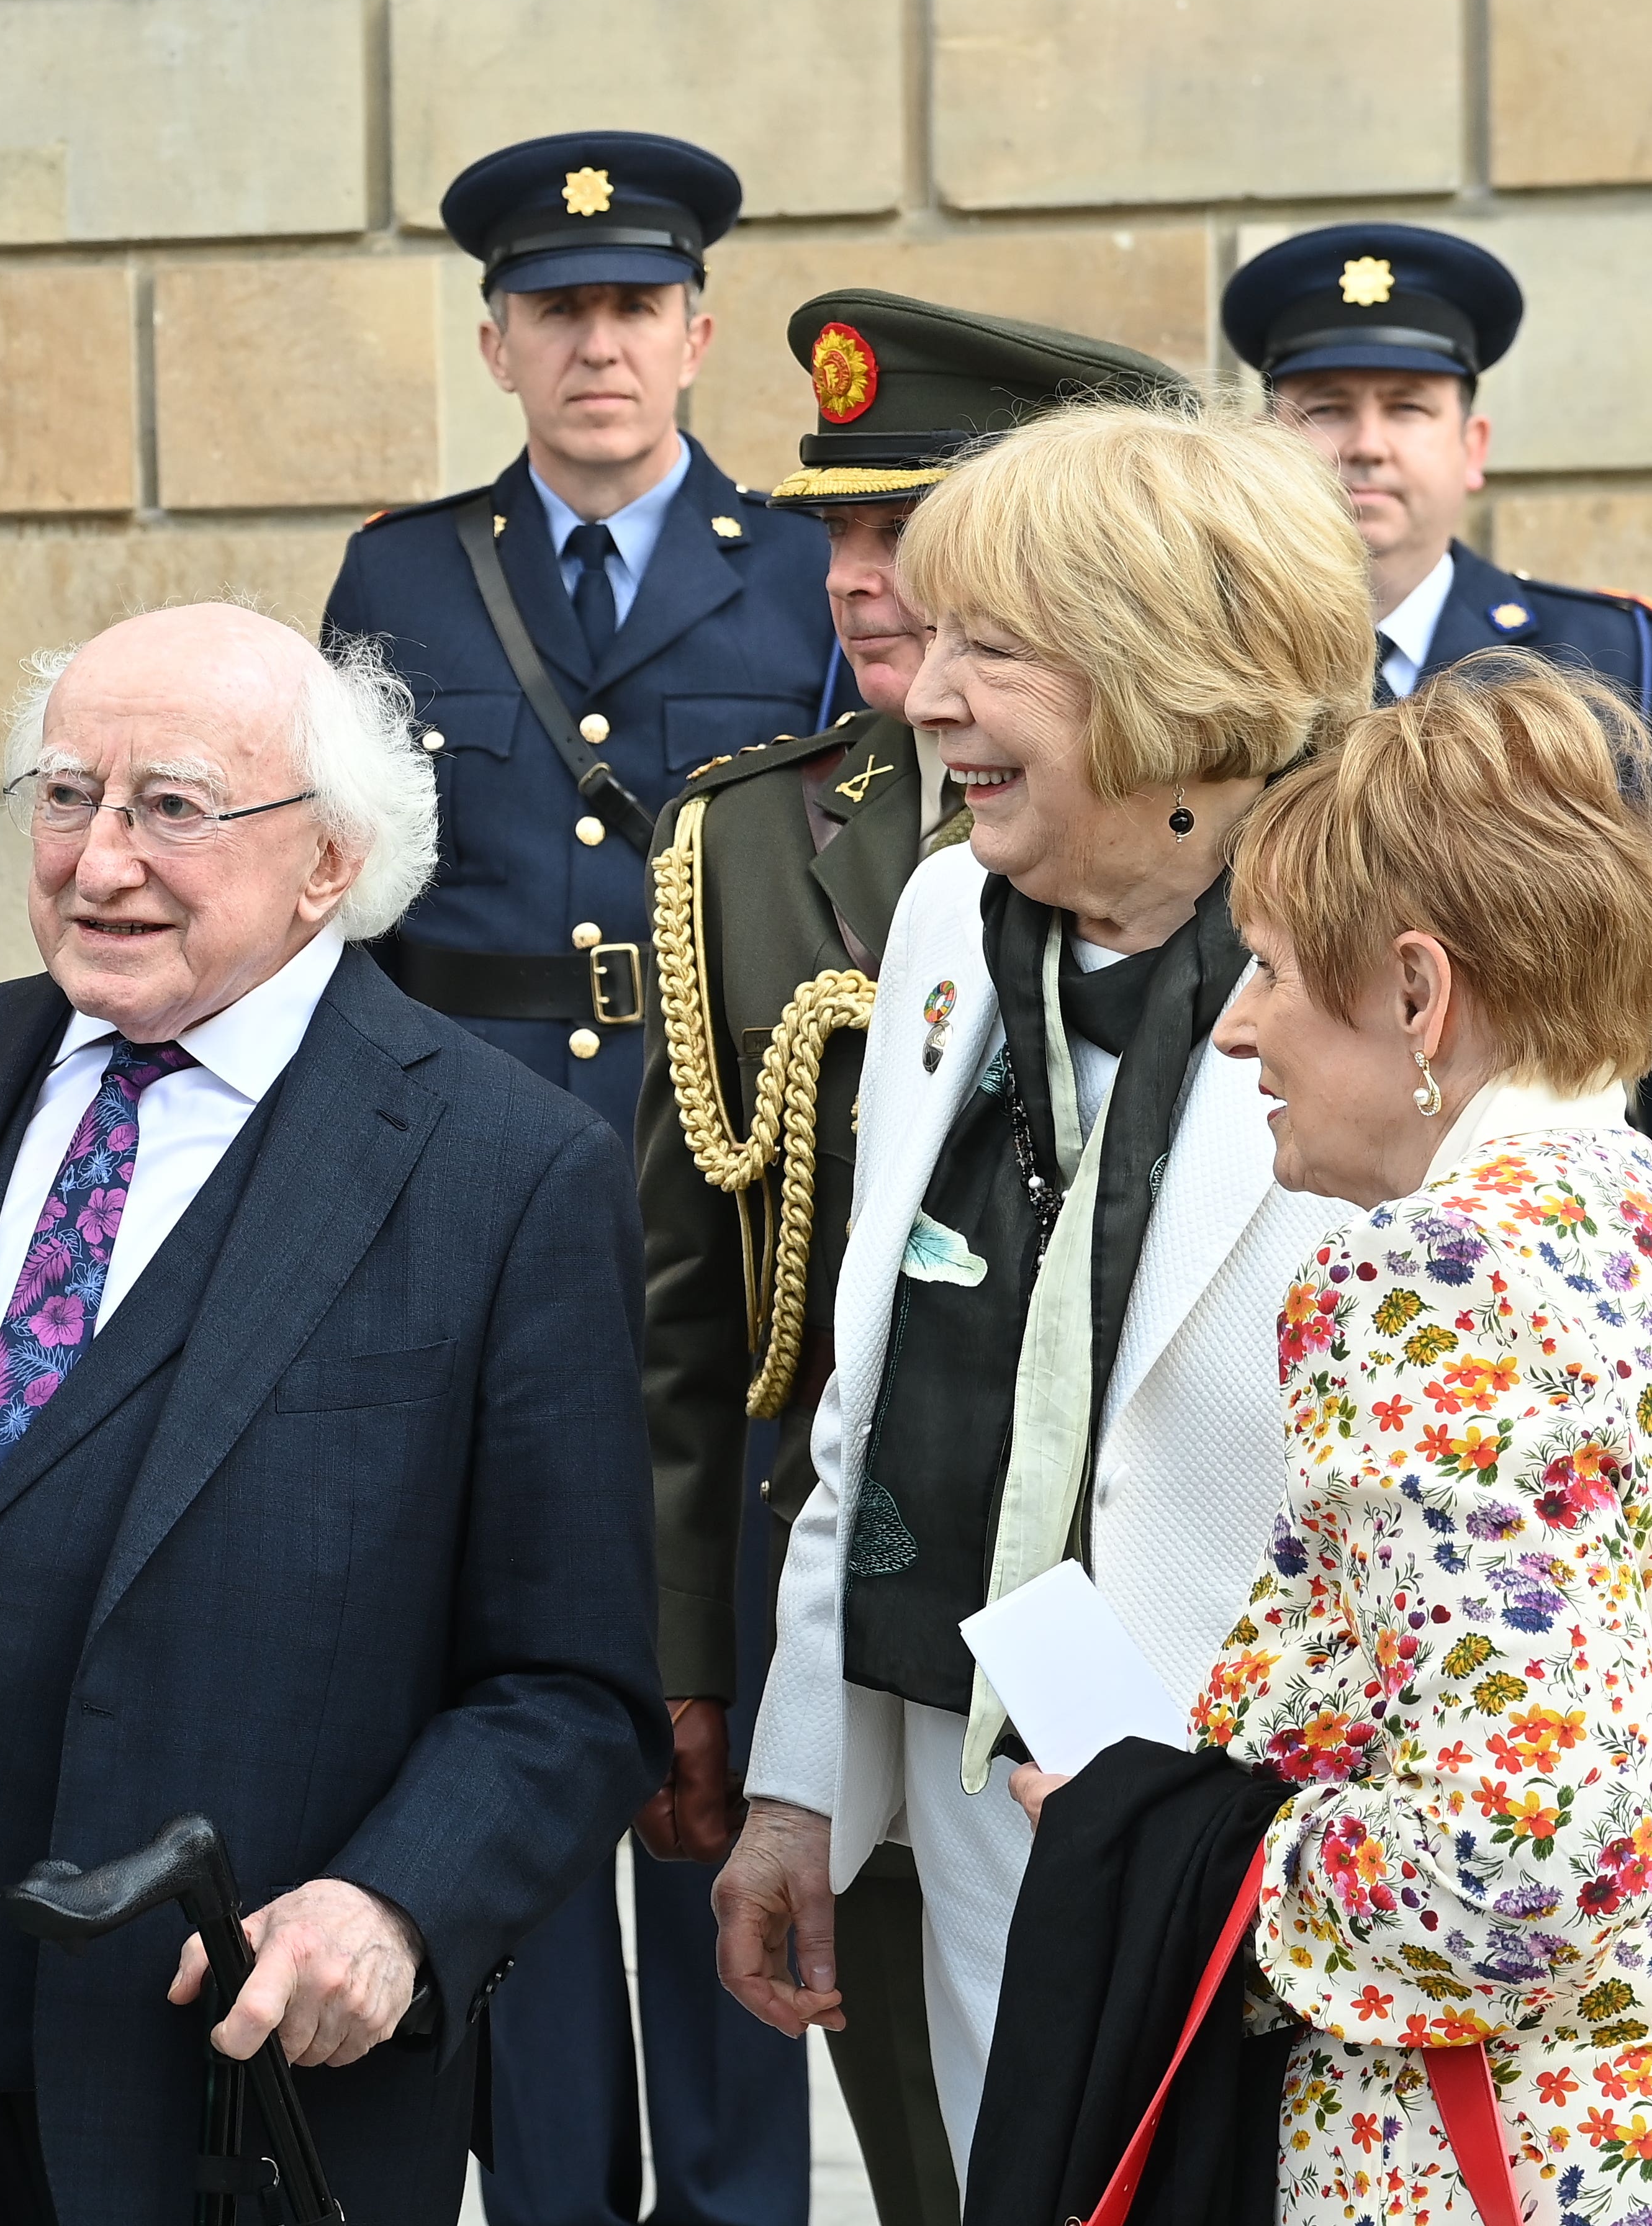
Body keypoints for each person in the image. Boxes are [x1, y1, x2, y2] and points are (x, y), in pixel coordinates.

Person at [0, 601, 666, 2226]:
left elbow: (570, 1686)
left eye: (172, 808)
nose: (98, 862)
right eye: (65, 795)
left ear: (327, 861)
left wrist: (388, 1906)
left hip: (232, 2076)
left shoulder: (504, 1174)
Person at [715, 404, 1374, 2178]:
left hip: (1279, 1844)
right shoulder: (947, 917)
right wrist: (805, 1790)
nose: (925, 698)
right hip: (994, 1762)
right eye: (931, 642)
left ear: (1172, 670)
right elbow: (882, 1374)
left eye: (990, 652)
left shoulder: (1405, 952)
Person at [1014, 654, 1652, 2224]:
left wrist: (1168, 1860)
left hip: (1471, 2155)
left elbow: (1505, 1849)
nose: (1235, 1030)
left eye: (1269, 969)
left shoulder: (1433, 1272)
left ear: (1416, 996)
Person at [320, 128, 835, 2226]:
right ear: (493, 340)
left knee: (698, 1702)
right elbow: (339, 899)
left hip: (718, 1197)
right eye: (558, 310)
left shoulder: (800, 571)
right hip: (477, 1195)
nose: (596, 344)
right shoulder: (402, 576)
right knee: (516, 1704)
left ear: (697, 332)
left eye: (632, 306)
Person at [641, 294, 1189, 2226]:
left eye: (969, 609)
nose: (900, 645)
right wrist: (779, 1758)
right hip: (943, 1717)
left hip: (1233, 1789)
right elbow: (824, 1370)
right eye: (859, 556)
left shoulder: (1359, 922)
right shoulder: (932, 892)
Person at [1222, 223, 1652, 1209]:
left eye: (1408, 409)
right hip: (1258, 1191)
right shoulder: (1211, 671)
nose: (1367, 444)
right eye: (1326, 408)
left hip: (1541, 1221)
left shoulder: (1612, 663)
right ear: (1270, 450)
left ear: (1473, 447)